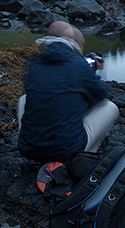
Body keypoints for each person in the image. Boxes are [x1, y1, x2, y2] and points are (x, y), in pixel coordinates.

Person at [17, 21, 119, 163]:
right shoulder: (79, 65)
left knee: (24, 99)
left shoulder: (35, 65)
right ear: (72, 40)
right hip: (66, 151)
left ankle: (33, 141)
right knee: (109, 107)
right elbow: (101, 95)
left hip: (28, 150)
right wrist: (98, 73)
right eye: (82, 44)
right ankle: (85, 157)